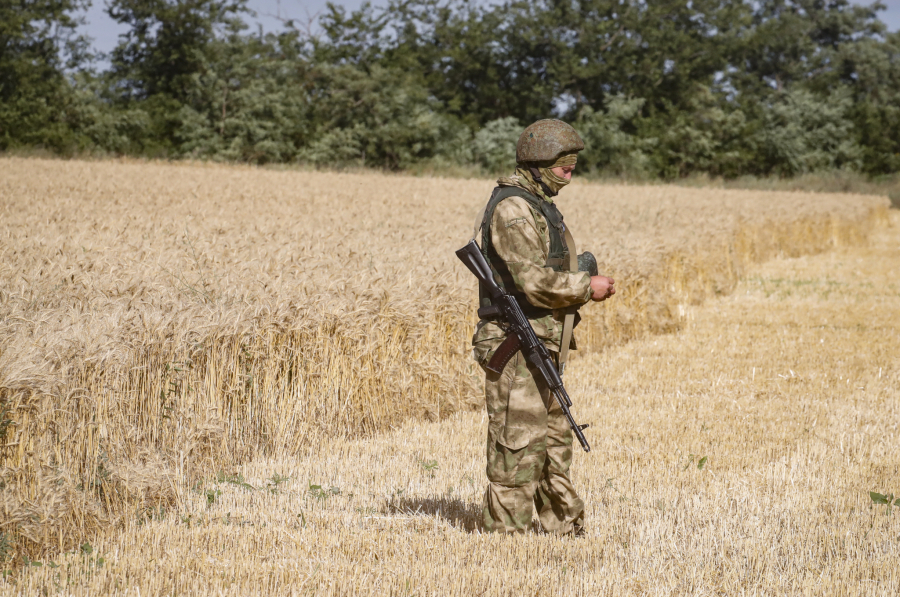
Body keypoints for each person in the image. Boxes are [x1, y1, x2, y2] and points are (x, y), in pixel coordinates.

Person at [471, 119, 615, 535]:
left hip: (540, 338)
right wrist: (587, 287)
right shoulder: (514, 208)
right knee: (517, 442)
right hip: (515, 342)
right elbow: (533, 283)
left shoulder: (540, 203)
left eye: (572, 162)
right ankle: (508, 535)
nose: (569, 168)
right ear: (535, 162)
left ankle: (563, 525)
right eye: (559, 162)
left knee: (554, 437)